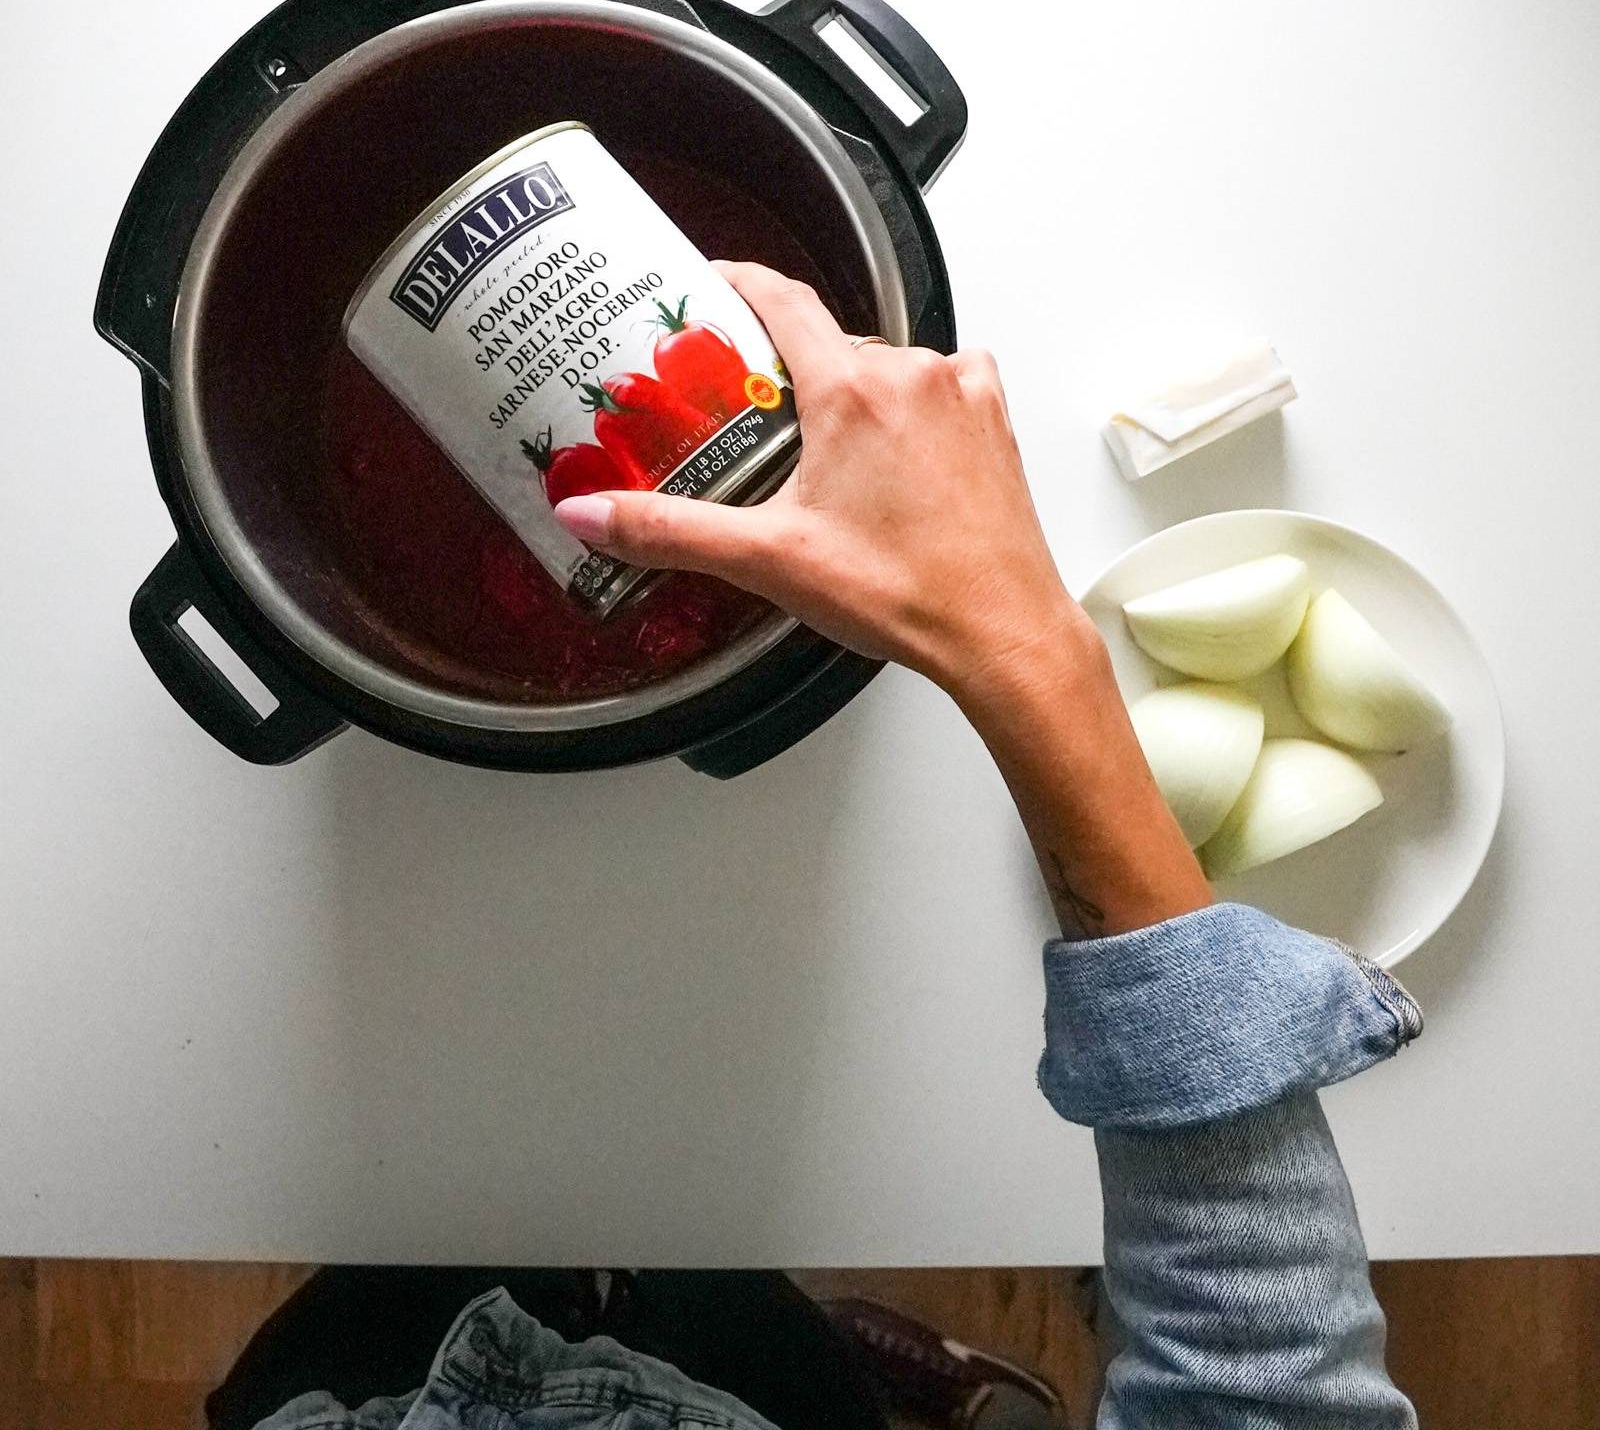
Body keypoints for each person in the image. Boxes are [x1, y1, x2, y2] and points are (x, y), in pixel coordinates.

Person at [218, 262, 1421, 1430]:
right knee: (764, 1334)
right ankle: (954, 1393)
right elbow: (1259, 1387)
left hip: (366, 1381)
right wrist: (1026, 649)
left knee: (491, 1250)